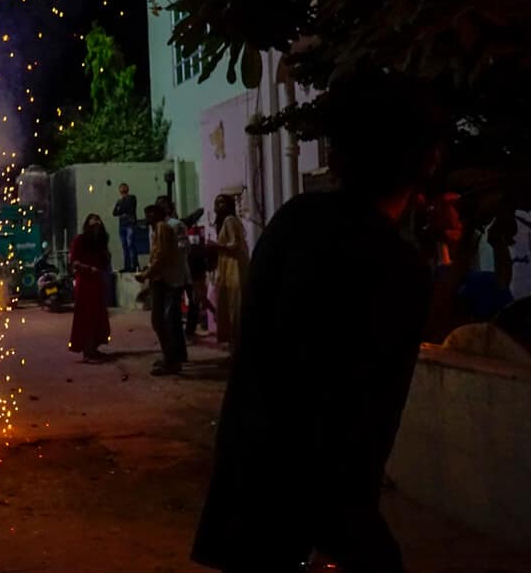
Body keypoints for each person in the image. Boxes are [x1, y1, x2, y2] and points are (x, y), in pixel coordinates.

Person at [191, 71, 450, 572]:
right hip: (322, 519)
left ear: (336, 155)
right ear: (427, 161)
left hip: (250, 493)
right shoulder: (394, 266)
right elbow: (363, 408)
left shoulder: (295, 222)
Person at [139, 202, 189, 375]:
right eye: (147, 213)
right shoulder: (157, 229)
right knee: (165, 321)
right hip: (163, 279)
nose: (148, 217)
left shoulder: (162, 228)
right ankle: (171, 358)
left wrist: (146, 274)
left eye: (151, 213)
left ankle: (172, 360)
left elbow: (161, 256)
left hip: (166, 281)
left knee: (162, 321)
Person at [208, 194, 250, 352]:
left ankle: (238, 348)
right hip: (229, 267)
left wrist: (215, 246)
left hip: (235, 269)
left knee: (235, 307)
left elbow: (234, 245)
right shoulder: (226, 221)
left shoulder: (229, 220)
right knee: (230, 306)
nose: (219, 205)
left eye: (222, 202)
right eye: (217, 202)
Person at [69, 213, 113, 362]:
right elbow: (74, 262)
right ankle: (87, 352)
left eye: (98, 226)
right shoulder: (80, 240)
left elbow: (104, 262)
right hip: (85, 283)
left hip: (97, 282)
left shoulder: (100, 243)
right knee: (86, 316)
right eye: (93, 226)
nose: (96, 229)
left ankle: (94, 348)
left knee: (98, 316)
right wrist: (88, 269)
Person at [112, 182, 139, 272]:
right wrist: (122, 210)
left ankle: (133, 265)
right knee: (125, 245)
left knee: (130, 244)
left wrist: (122, 210)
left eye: (124, 187)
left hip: (130, 223)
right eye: (121, 188)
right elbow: (115, 212)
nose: (122, 189)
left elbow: (129, 208)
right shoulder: (119, 201)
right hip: (122, 225)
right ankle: (127, 266)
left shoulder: (132, 198)